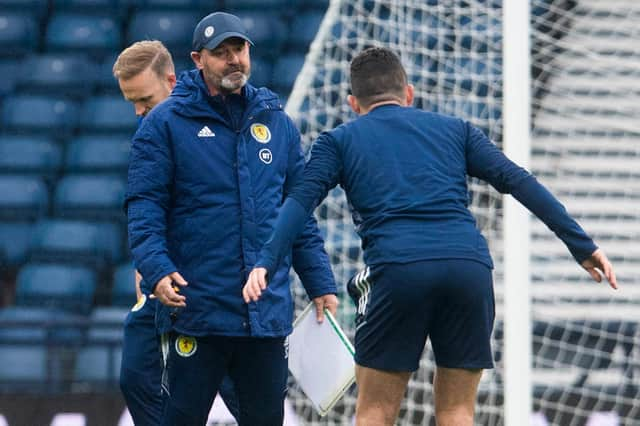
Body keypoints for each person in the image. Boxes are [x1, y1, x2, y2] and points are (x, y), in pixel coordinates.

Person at [243, 47, 618, 426]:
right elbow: (517, 180)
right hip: (467, 269)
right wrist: (581, 245)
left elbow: (298, 204)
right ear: (409, 93)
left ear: (353, 103)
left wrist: (265, 260)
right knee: (458, 411)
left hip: (398, 270)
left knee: (375, 411)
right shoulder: (457, 130)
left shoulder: (338, 141)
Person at [125, 12, 338, 426]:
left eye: (238, 50)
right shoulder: (163, 125)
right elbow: (144, 209)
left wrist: (320, 284)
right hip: (197, 312)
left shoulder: (277, 123)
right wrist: (157, 269)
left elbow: (297, 215)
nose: (233, 60)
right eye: (220, 53)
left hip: (265, 319)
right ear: (197, 59)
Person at [113, 40, 238, 424]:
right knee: (135, 374)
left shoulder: (219, 121)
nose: (137, 110)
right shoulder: (149, 131)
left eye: (144, 98)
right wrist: (150, 263)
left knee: (241, 392)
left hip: (218, 284)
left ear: (171, 81)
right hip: (164, 282)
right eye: (130, 101)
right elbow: (147, 207)